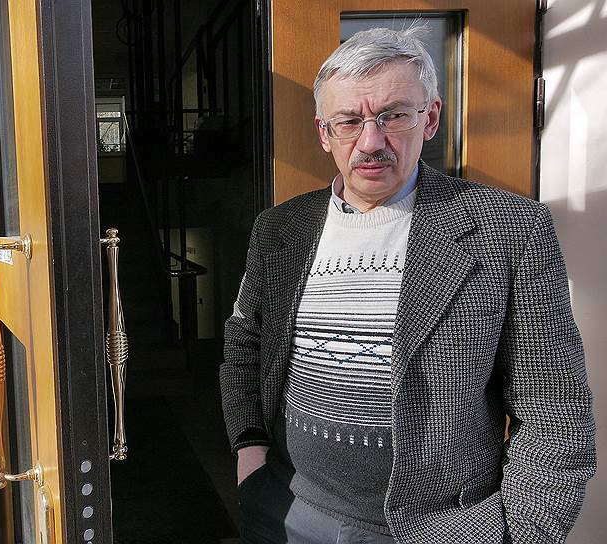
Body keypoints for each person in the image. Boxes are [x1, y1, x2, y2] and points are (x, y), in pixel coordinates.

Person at [221, 26, 596, 544]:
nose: (370, 142)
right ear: (324, 133)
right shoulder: (279, 229)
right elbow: (245, 344)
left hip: (443, 528)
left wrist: (511, 533)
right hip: (284, 513)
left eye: (394, 116)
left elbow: (556, 413)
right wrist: (249, 450)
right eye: (348, 121)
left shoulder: (508, 229)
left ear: (431, 118)